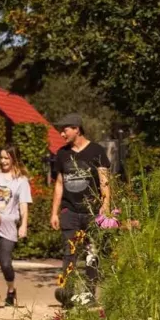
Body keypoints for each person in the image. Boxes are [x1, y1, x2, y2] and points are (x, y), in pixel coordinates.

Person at [50, 113, 112, 305]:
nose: (62, 133)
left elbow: (105, 182)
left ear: (76, 129)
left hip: (92, 211)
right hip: (70, 211)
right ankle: (67, 293)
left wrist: (105, 206)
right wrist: (54, 212)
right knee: (69, 252)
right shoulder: (62, 154)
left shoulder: (97, 151)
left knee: (91, 252)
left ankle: (89, 294)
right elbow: (60, 183)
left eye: (65, 129)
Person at [0, 145, 32, 309]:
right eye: (1, 157)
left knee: (5, 263)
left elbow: (23, 205)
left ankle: (11, 291)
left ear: (14, 159)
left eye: (6, 158)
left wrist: (24, 225)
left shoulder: (21, 181)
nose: (3, 161)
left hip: (9, 224)